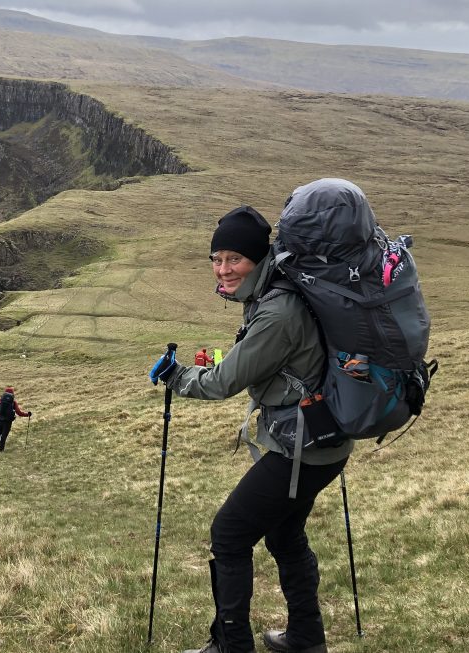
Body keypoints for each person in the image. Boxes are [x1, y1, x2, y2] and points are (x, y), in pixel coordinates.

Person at [149, 205, 352, 653]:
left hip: (301, 450)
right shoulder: (273, 296)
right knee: (284, 534)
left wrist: (176, 376)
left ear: (259, 260)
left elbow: (224, 382)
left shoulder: (277, 311)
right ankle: (305, 638)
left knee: (229, 533)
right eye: (216, 259)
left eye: (234, 259)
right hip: (318, 442)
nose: (222, 269)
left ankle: (231, 645)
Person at [0, 386, 31, 452]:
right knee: (4, 435)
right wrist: (27, 414)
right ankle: (0, 450)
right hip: (8, 421)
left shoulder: (0, 401)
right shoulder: (13, 402)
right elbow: (19, 412)